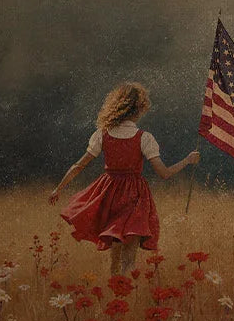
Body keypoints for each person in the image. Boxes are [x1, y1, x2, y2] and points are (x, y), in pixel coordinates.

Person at [50, 82, 200, 274]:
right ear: (139, 109)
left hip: (109, 195)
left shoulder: (102, 135)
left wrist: (59, 188)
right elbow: (164, 173)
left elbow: (79, 165)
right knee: (128, 260)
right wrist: (187, 160)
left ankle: (116, 297)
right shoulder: (144, 138)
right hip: (134, 198)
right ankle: (124, 297)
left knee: (115, 259)